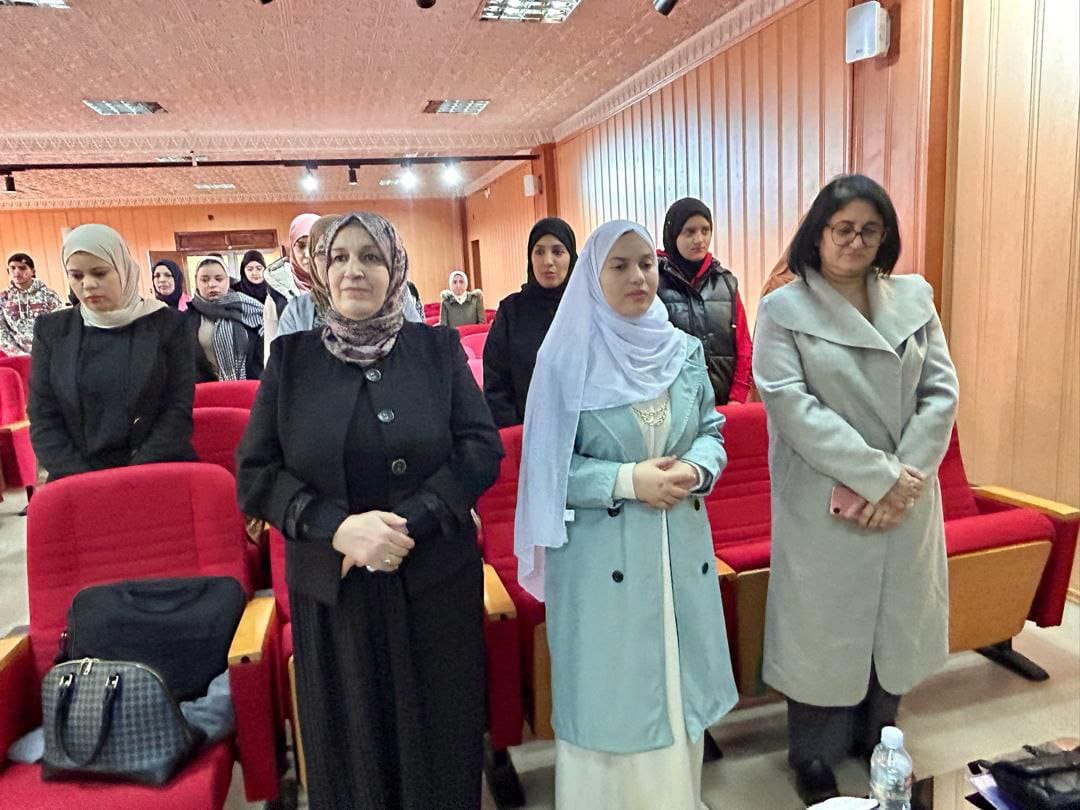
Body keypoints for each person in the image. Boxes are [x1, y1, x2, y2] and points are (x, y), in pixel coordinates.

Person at [236, 212, 503, 809]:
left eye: (370, 257)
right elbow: (256, 474)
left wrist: (411, 522)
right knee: (353, 752)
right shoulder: (291, 360)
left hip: (435, 582)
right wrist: (338, 530)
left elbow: (480, 449)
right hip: (335, 595)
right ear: (320, 271)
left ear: (395, 269)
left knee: (440, 742)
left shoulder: (437, 350)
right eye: (339, 258)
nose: (353, 270)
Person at [515, 220, 738, 810]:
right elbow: (546, 472)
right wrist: (626, 480)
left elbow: (711, 431)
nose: (638, 277)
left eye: (645, 263)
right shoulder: (564, 362)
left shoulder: (682, 351)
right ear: (593, 276)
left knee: (675, 688)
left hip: (676, 553)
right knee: (613, 699)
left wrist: (696, 469)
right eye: (619, 266)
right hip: (600, 561)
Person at [752, 174, 959, 806]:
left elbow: (941, 393)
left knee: (894, 625)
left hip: (905, 499)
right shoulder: (783, 310)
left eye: (870, 229)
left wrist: (904, 477)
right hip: (826, 499)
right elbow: (793, 408)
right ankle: (813, 754)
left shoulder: (914, 298)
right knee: (825, 631)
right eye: (842, 228)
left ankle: (879, 737)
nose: (855, 241)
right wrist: (880, 477)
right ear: (817, 234)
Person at [28, 225, 195, 480]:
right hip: (76, 478)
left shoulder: (168, 325)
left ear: (123, 269)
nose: (88, 285)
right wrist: (87, 481)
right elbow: (43, 417)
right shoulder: (51, 330)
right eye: (76, 275)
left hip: (156, 469)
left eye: (100, 273)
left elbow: (177, 410)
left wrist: (130, 480)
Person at [656, 198, 753, 405]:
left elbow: (744, 345)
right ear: (673, 235)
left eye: (705, 230)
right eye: (689, 232)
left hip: (723, 406)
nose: (699, 239)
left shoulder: (726, 283)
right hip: (673, 408)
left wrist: (737, 397)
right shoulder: (655, 282)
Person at [483, 217, 577, 427]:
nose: (548, 261)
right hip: (524, 431)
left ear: (572, 258)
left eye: (558, 252)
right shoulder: (511, 311)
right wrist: (519, 431)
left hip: (584, 433)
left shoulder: (586, 308)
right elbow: (495, 382)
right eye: (539, 252)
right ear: (530, 258)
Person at [185, 257, 264, 382]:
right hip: (205, 390)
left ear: (227, 280)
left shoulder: (250, 309)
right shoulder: (186, 319)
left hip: (249, 388)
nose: (212, 284)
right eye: (204, 280)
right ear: (196, 282)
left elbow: (264, 355)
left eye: (218, 279)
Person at [262, 213, 319, 354]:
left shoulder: (339, 286)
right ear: (292, 247)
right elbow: (271, 347)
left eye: (314, 245)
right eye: (301, 246)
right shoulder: (278, 293)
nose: (307, 254)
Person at [0, 252, 64, 355]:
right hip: (17, 356)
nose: (17, 272)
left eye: (22, 268)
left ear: (32, 271)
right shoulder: (3, 298)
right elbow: (1, 330)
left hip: (48, 353)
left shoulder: (48, 295)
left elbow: (59, 326)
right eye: (12, 268)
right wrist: (18, 354)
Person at [232, 249, 287, 314]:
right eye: (250, 269)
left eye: (259, 268)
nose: (255, 273)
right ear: (243, 271)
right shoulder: (234, 292)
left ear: (264, 269)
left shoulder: (275, 289)